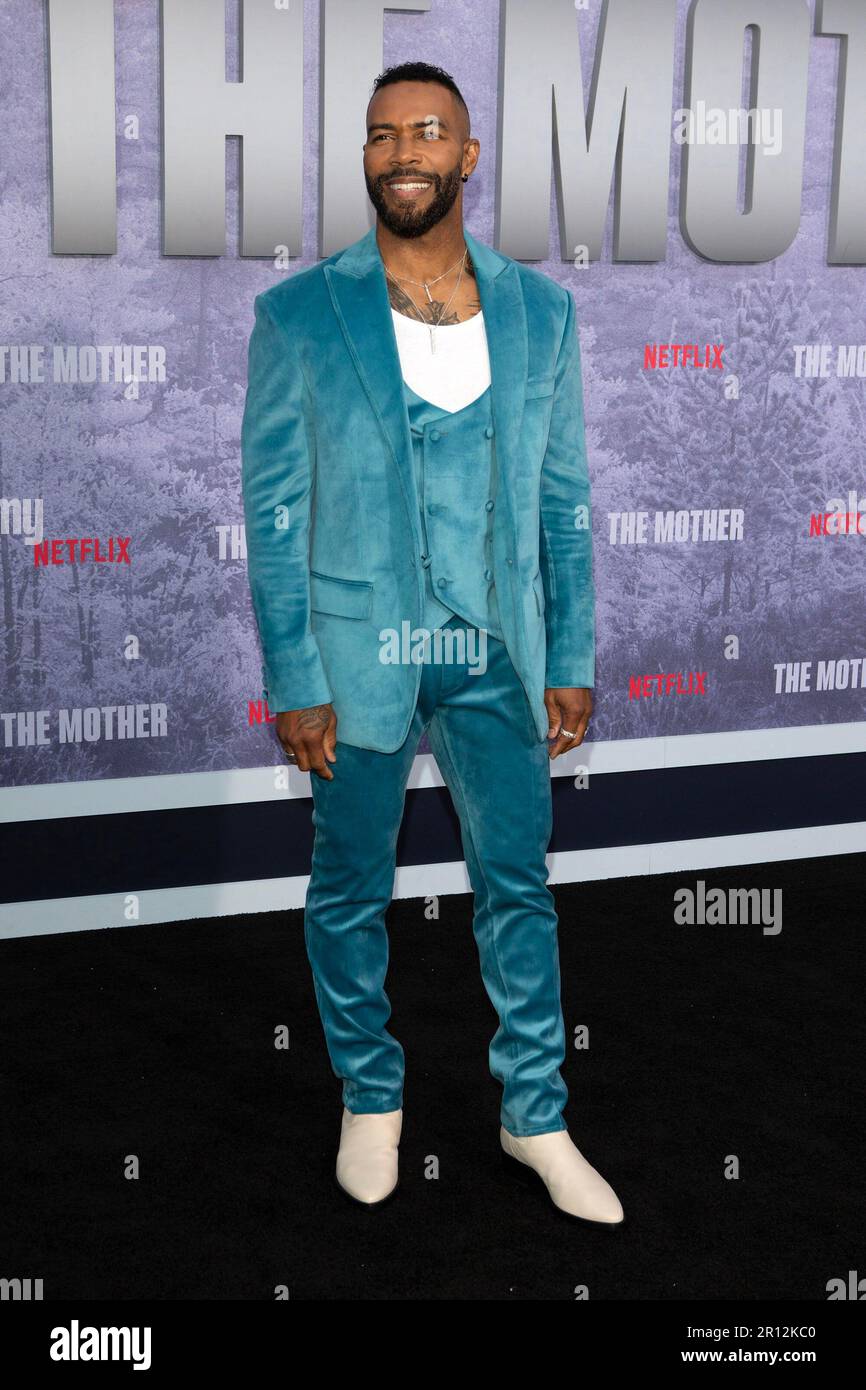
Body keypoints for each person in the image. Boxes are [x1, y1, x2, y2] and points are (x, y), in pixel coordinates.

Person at [241, 61, 624, 1227]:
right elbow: (274, 514)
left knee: (518, 886)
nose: (401, 151)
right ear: (364, 160)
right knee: (348, 885)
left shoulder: (540, 311)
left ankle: (535, 1116)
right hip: (359, 659)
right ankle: (371, 1096)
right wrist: (295, 676)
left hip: (498, 652)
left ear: (466, 157)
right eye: (379, 136)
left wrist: (570, 654)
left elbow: (563, 499)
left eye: (427, 132)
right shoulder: (297, 315)